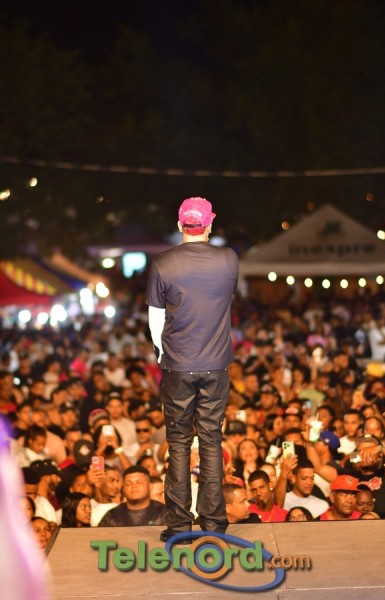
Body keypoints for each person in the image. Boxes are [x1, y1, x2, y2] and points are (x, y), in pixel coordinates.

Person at [146, 197, 238, 541]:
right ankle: (214, 523)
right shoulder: (229, 260)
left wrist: (162, 353)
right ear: (209, 225)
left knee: (179, 443)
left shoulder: (162, 263)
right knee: (212, 441)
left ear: (180, 224)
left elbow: (155, 318)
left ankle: (179, 525)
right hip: (216, 364)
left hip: (178, 365)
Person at [98, 466, 166, 527]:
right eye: (128, 483)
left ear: (150, 486)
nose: (134, 486)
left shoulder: (164, 513)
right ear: (123, 489)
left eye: (139, 482)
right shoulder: (112, 517)